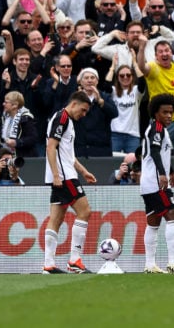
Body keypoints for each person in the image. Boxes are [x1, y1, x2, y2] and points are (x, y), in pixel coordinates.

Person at [42, 91, 98, 274]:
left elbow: (68, 155)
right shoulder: (62, 118)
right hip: (64, 177)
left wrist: (84, 172)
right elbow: (51, 147)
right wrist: (57, 175)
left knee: (56, 219)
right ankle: (74, 261)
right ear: (74, 104)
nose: (83, 115)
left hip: (64, 174)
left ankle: (48, 265)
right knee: (85, 211)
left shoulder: (66, 120)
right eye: (83, 110)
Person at [140, 93, 174, 274]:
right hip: (156, 184)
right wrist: (163, 174)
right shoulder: (157, 128)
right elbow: (154, 151)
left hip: (149, 183)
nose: (169, 115)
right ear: (156, 113)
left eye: (171, 112)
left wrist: (171, 171)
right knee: (173, 215)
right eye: (165, 112)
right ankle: (173, 261)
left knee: (153, 222)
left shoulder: (159, 129)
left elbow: (163, 153)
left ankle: (150, 265)